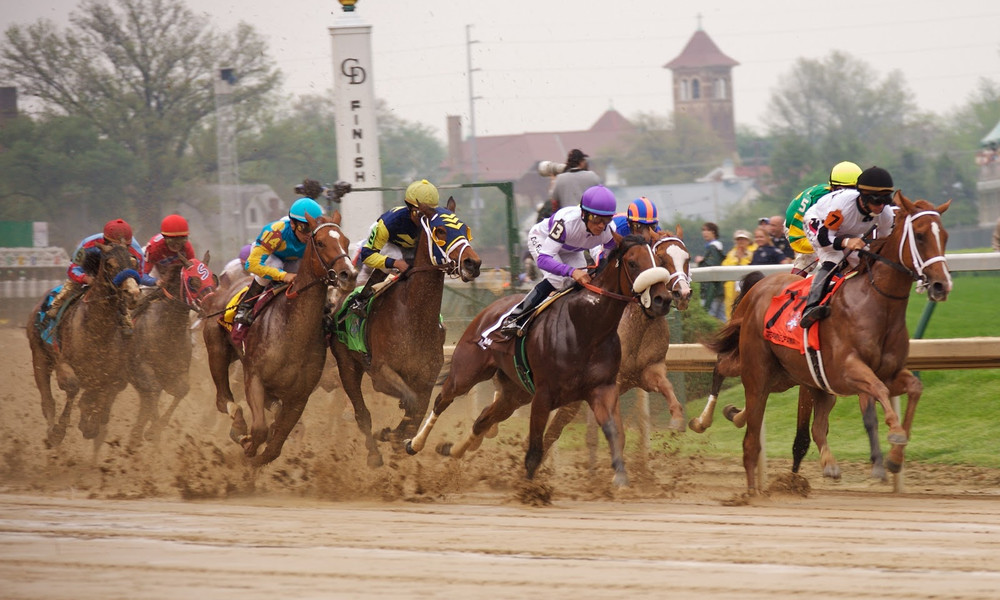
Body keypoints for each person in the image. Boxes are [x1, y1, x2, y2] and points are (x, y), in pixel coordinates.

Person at [496, 184, 618, 337]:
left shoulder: (609, 230)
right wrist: (572, 271)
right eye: (596, 218)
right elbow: (543, 260)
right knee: (558, 279)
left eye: (606, 219)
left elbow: (606, 257)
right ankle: (515, 317)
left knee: (583, 283)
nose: (601, 225)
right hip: (543, 240)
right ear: (584, 214)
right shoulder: (566, 222)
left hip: (572, 249)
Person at [799, 166, 896, 328]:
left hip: (846, 229)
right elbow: (824, 239)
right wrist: (846, 243)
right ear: (863, 197)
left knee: (864, 259)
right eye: (876, 200)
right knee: (833, 257)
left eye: (885, 200)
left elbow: (884, 241)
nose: (881, 206)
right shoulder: (842, 206)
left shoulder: (885, 214)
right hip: (819, 223)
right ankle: (811, 306)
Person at [345, 179, 440, 317]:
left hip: (407, 249)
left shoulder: (435, 223)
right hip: (382, 246)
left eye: (429, 215)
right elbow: (367, 256)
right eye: (419, 215)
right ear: (409, 208)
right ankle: (361, 300)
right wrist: (395, 263)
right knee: (397, 259)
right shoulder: (389, 222)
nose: (423, 221)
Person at [232, 197, 325, 327]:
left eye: (313, 227)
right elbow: (251, 264)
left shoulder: (318, 235)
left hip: (294, 258)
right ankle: (245, 307)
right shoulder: (275, 232)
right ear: (292, 224)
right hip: (271, 256)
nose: (309, 234)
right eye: (304, 228)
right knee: (276, 265)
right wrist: (283, 275)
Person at [46, 218, 156, 327]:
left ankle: (126, 318)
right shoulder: (89, 243)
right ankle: (55, 307)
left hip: (117, 277)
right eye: (113, 246)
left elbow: (139, 276)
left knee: (129, 298)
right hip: (89, 270)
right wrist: (86, 279)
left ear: (129, 244)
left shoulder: (136, 252)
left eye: (124, 247)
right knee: (72, 285)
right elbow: (72, 269)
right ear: (105, 241)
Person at [785, 161, 863, 276]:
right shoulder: (821, 200)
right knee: (816, 255)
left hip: (825, 224)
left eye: (853, 190)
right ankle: (793, 287)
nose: (847, 195)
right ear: (832, 188)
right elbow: (814, 237)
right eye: (843, 190)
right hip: (797, 225)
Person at [538, 149, 601, 221]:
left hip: (567, 221)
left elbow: (554, 203)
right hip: (588, 221)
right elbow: (601, 198)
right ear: (581, 162)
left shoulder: (560, 178)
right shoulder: (592, 176)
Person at [143, 214, 196, 281]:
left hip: (175, 273)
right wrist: (155, 282)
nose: (177, 245)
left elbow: (193, 272)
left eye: (181, 240)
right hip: (155, 268)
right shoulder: (154, 248)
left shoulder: (187, 247)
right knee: (147, 289)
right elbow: (143, 275)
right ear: (164, 237)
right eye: (172, 240)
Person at [721, 229, 757, 319]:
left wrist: (742, 258)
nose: (741, 242)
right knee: (730, 308)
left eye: (743, 239)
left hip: (746, 284)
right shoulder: (731, 253)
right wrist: (737, 259)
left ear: (749, 241)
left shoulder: (753, 252)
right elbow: (725, 266)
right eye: (738, 239)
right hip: (731, 286)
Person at [695, 222, 725, 321]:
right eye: (703, 230)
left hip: (711, 291)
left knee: (709, 319)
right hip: (719, 290)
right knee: (722, 320)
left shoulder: (713, 247)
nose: (705, 233)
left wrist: (701, 261)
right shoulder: (715, 247)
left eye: (708, 230)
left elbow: (712, 266)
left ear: (714, 232)